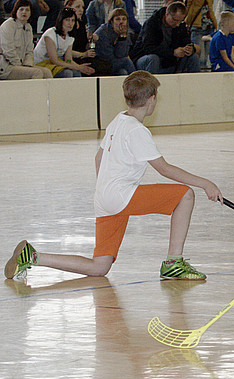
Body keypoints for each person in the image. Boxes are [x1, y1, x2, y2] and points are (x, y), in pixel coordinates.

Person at [5, 70, 222, 280]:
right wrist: (206, 183)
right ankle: (173, 263)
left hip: (104, 199)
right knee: (185, 195)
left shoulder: (118, 120)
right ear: (151, 99)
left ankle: (33, 256)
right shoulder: (137, 130)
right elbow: (164, 169)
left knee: (100, 267)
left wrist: (107, 191)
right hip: (120, 197)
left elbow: (98, 158)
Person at [130, 1, 203, 74]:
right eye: (175, 20)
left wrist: (190, 49)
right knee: (153, 59)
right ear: (167, 14)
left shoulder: (180, 25)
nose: (177, 24)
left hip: (169, 61)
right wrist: (172, 52)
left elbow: (186, 42)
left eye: (180, 21)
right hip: (145, 58)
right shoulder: (151, 23)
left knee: (193, 57)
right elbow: (148, 48)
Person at [34, 6, 96, 77]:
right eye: (67, 20)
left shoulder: (69, 38)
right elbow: (54, 60)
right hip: (42, 63)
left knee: (76, 73)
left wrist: (81, 68)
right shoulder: (50, 34)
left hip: (56, 64)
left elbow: (68, 60)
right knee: (67, 73)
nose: (70, 23)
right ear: (61, 20)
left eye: (72, 20)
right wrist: (78, 67)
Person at [0, 0, 52, 79]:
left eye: (27, 10)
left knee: (47, 72)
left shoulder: (28, 27)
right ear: (16, 11)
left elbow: (29, 50)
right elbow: (8, 50)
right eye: (21, 9)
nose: (24, 12)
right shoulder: (8, 25)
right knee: (36, 73)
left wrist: (27, 65)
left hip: (21, 65)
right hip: (7, 67)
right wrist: (20, 65)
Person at [93, 8, 136, 76]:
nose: (121, 22)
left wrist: (122, 37)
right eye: (118, 19)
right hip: (103, 63)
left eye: (124, 19)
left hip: (116, 63)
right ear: (111, 21)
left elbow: (122, 54)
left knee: (122, 72)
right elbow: (108, 57)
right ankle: (138, 81)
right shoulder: (103, 32)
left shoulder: (125, 31)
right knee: (126, 61)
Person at [64, 0, 98, 70]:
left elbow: (83, 46)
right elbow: (64, 51)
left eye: (82, 7)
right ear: (68, 8)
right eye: (77, 7)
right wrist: (83, 54)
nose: (81, 10)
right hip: (71, 59)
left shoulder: (82, 25)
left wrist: (92, 40)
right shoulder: (65, 27)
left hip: (82, 57)